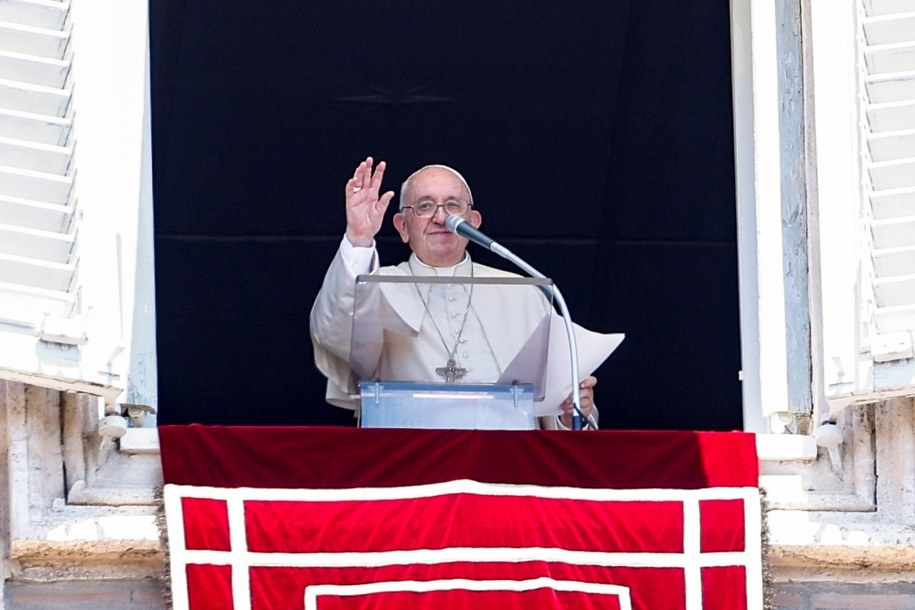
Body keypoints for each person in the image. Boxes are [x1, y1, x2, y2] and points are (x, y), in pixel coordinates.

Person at [310, 156, 597, 429]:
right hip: (410, 455)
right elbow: (335, 333)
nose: (441, 217)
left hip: (506, 458)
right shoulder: (373, 287)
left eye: (452, 205)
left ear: (474, 221)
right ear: (403, 227)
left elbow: (560, 405)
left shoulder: (524, 292)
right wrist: (359, 239)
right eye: (424, 206)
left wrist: (571, 411)